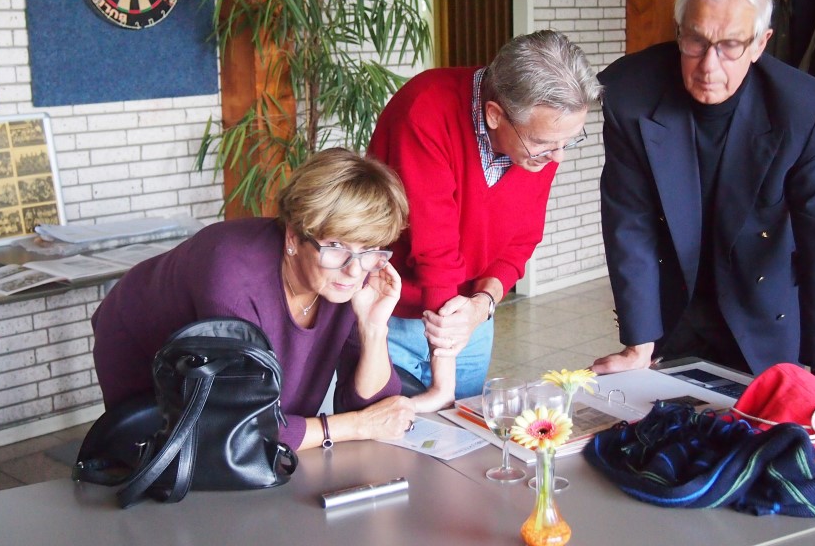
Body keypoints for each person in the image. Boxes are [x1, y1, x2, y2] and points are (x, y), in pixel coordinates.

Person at [593, 0, 815, 402]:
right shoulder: (630, 93)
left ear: (760, 44)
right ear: (679, 31)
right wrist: (639, 342)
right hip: (674, 308)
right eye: (695, 41)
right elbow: (629, 219)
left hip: (763, 304)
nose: (708, 65)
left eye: (730, 46)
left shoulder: (803, 107)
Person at [91, 148, 416, 451]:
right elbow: (243, 429)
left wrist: (374, 328)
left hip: (245, 402)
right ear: (293, 237)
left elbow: (379, 409)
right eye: (336, 246)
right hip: (139, 341)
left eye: (370, 248)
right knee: (164, 458)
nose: (354, 270)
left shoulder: (351, 276)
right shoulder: (232, 279)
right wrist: (355, 426)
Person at [368, 29, 601, 404]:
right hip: (392, 313)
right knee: (393, 434)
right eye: (544, 144)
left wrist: (482, 305)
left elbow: (521, 240)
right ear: (494, 115)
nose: (557, 157)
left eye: (568, 141)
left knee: (461, 433)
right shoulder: (425, 111)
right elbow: (435, 251)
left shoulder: (541, 142)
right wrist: (443, 383)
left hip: (468, 316)